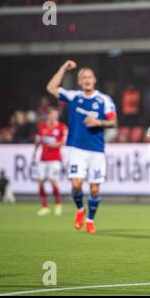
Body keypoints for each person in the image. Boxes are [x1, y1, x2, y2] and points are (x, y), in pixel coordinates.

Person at [46, 60, 117, 234]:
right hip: (76, 148)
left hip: (96, 150)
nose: (87, 80)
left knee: (94, 188)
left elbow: (113, 121)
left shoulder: (103, 100)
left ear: (94, 80)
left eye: (89, 77)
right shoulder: (73, 97)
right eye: (83, 77)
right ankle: (80, 210)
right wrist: (63, 68)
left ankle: (90, 220)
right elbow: (51, 88)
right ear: (79, 81)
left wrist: (98, 122)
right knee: (76, 184)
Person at [32, 107, 68, 216]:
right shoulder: (42, 126)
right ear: (48, 115)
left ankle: (58, 205)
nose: (55, 116)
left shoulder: (62, 127)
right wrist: (34, 153)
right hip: (43, 159)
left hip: (55, 159)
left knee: (53, 181)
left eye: (56, 114)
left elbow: (64, 141)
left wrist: (56, 144)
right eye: (53, 114)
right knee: (41, 182)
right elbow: (38, 141)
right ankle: (45, 206)